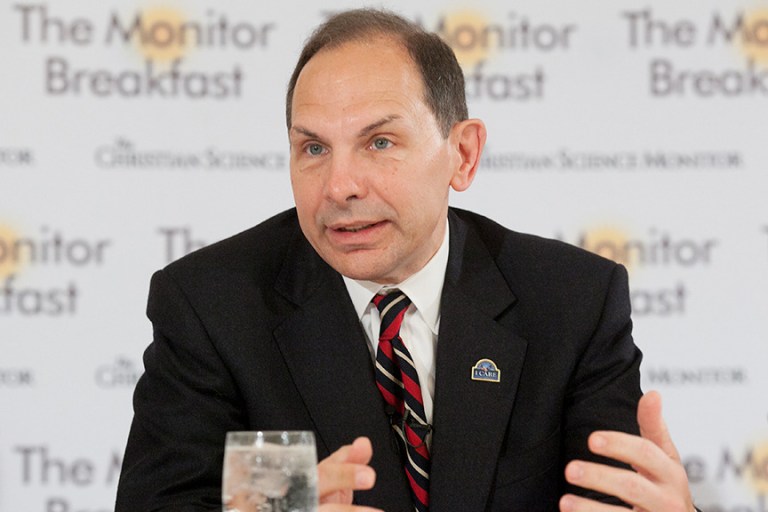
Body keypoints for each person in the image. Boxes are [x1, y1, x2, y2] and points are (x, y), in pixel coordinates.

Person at [116, 8, 697, 512]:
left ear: (462, 155)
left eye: (380, 142)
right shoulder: (213, 304)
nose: (340, 185)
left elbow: (620, 500)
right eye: (313, 148)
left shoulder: (571, 301)